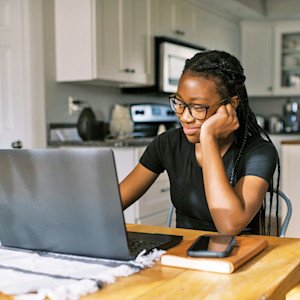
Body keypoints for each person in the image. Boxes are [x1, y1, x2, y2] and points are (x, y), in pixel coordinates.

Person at [120, 50, 279, 236]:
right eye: (179, 103)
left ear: (232, 104)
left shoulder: (259, 153)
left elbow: (229, 226)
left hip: (239, 258)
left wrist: (208, 137)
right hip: (182, 255)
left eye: (197, 107)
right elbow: (113, 204)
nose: (185, 117)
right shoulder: (167, 143)